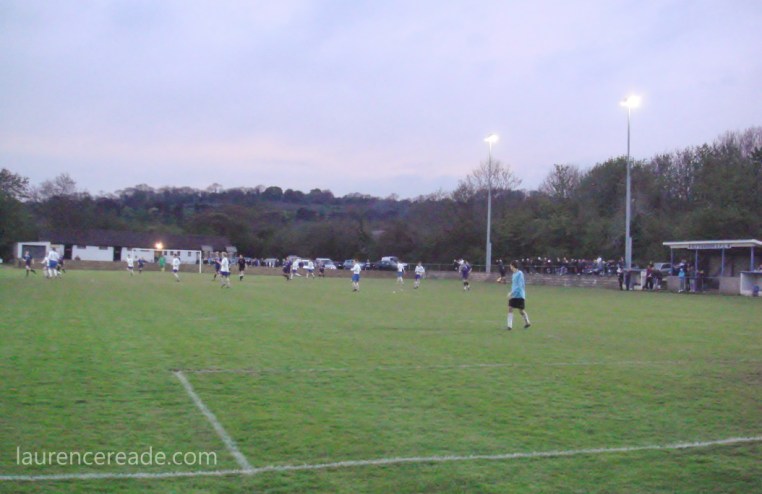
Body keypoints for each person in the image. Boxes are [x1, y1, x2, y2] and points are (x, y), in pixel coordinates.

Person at [507, 260, 531, 330]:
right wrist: (512, 292)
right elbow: (514, 285)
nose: (510, 267)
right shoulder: (513, 274)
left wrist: (512, 292)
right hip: (514, 295)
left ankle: (527, 322)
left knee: (521, 310)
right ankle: (509, 326)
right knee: (510, 308)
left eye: (510, 266)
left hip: (519, 295)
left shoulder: (520, 273)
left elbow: (520, 285)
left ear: (513, 266)